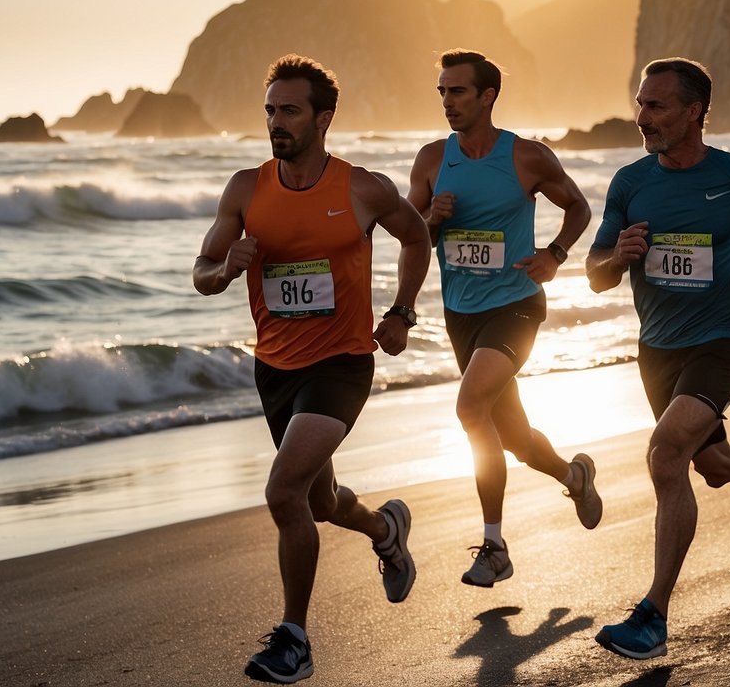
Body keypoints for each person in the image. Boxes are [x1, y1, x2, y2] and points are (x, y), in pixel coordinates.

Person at [193, 54, 431, 684]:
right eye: (270, 110)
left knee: (282, 492)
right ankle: (385, 528)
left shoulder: (363, 189)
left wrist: (402, 313)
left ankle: (294, 639)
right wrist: (226, 269)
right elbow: (202, 274)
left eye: (289, 110)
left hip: (342, 365)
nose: (276, 122)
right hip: (274, 369)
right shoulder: (246, 189)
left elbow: (417, 237)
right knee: (320, 501)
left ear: (323, 118)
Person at [586, 57, 730, 660]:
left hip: (720, 344)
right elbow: (593, 277)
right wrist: (618, 258)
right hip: (656, 351)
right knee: (712, 464)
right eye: (640, 103)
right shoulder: (630, 182)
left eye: (656, 105)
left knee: (666, 456)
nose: (643, 117)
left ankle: (653, 615)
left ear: (694, 112)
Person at [406, 48, 601, 588]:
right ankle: (573, 474)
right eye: (442, 91)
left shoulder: (527, 157)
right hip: (460, 313)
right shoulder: (430, 159)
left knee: (470, 407)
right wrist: (431, 218)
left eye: (458, 91)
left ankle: (494, 546)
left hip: (515, 305)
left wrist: (555, 255)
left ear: (488, 96)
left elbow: (579, 207)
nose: (448, 102)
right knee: (509, 434)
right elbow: (412, 238)